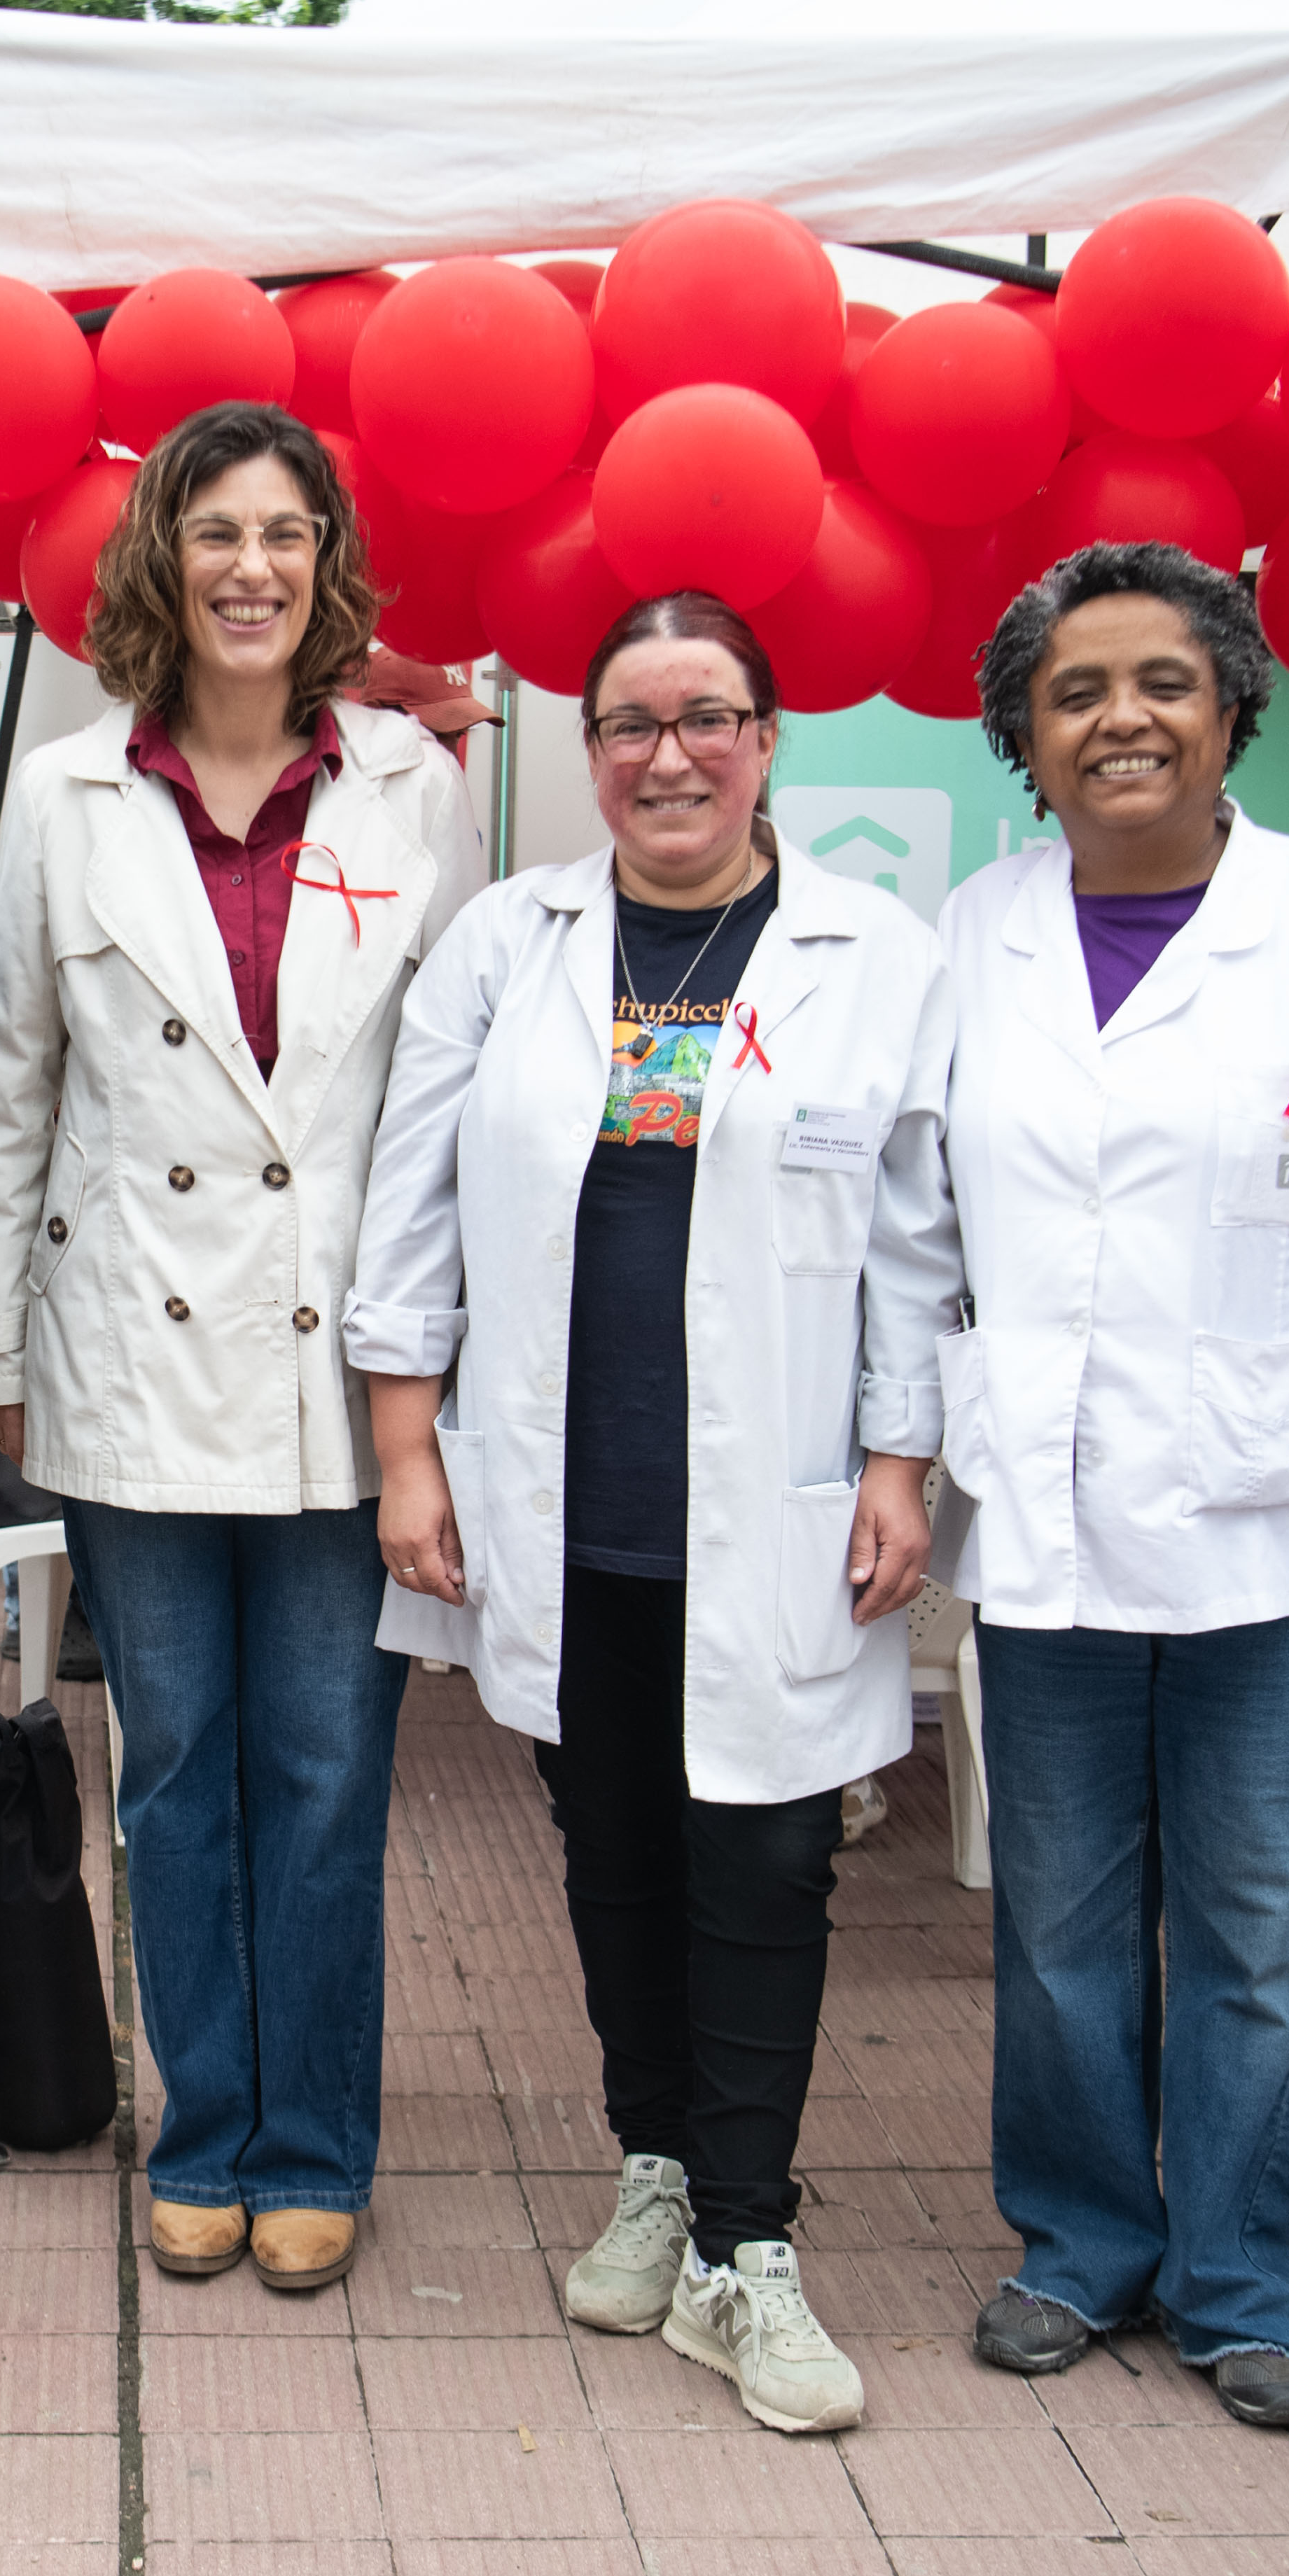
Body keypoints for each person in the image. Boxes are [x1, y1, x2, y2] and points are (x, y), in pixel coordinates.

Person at [354, 589, 958, 2432]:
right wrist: (407, 1449)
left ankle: (750, 2248)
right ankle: (658, 2167)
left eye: (708, 718)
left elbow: (919, 1233)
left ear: (767, 739)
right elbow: (413, 1199)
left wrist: (900, 1459)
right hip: (572, 1492)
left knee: (765, 1861)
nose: (669, 755)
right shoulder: (508, 943)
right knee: (611, 1848)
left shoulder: (873, 951)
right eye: (630, 722)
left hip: (776, 1506)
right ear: (593, 750)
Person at [935, 542, 1289, 2432]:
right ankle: (1081, 2244)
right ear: (1026, 734)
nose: (1122, 719)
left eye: (1162, 681)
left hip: (1280, 1517)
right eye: (1076, 690)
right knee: (1060, 1925)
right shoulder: (976, 932)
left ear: (1231, 707)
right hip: (1049, 1516)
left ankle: (1238, 2277)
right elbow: (918, 1221)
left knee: (1260, 1930)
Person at [0, 402, 478, 2293]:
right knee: (176, 1764)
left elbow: (448, 1098)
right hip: (129, 1352)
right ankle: (206, 2127)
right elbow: (10, 1084)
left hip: (347, 1358)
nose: (249, 567)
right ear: (160, 562)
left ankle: (313, 2139)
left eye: (283, 533)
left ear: (324, 563)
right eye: (214, 532)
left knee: (326, 1769)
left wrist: (447, 1364)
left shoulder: (416, 788)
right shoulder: (66, 795)